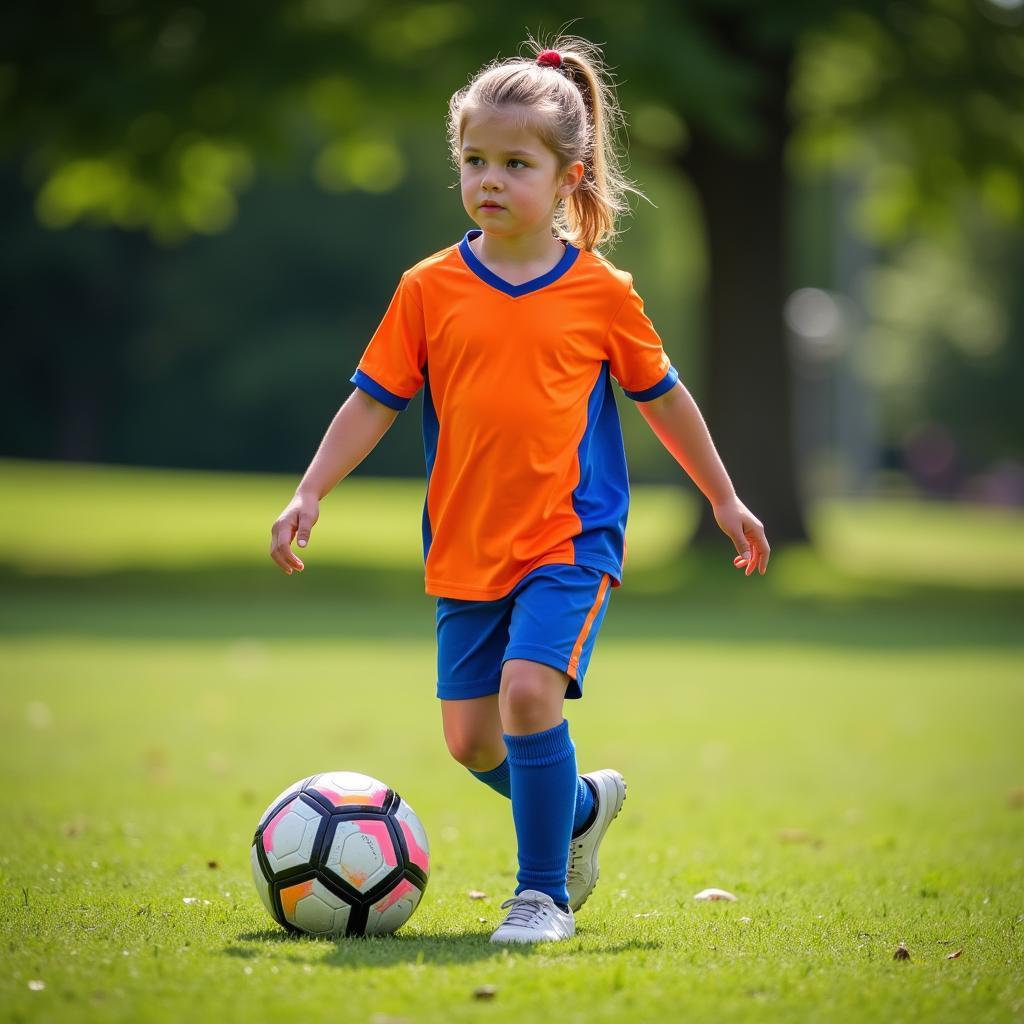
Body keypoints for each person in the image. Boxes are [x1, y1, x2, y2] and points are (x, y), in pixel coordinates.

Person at [270, 35, 770, 945]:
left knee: (529, 695)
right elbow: (372, 400)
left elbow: (666, 400)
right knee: (471, 740)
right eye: (473, 160)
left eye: (514, 163)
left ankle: (540, 896)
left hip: (568, 539)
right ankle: (575, 803)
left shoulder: (600, 293)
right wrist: (311, 492)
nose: (489, 179)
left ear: (569, 177)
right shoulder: (427, 288)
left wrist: (724, 500)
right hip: (464, 545)